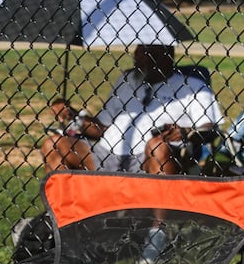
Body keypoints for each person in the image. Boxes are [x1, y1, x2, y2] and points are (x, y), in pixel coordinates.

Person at [39, 43, 222, 174]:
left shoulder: (193, 86)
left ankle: (159, 219)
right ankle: (61, 214)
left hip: (150, 158)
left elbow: (210, 127)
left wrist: (185, 132)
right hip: (107, 153)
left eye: (147, 51)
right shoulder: (127, 80)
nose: (138, 56)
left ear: (167, 55)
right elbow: (101, 128)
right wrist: (72, 115)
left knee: (158, 146)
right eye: (139, 50)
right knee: (53, 144)